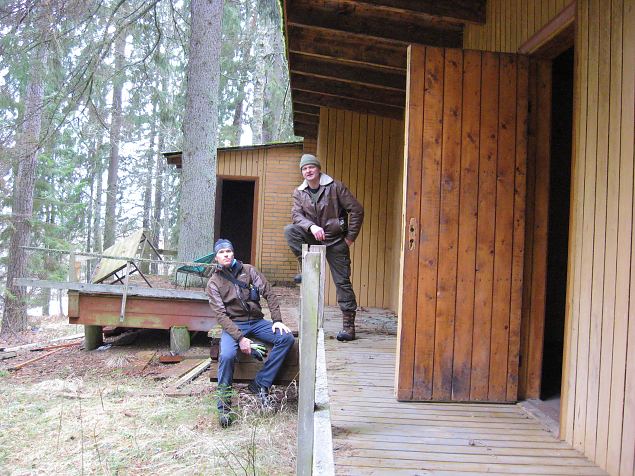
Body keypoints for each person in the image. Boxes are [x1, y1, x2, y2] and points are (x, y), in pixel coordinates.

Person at [206, 238, 294, 428]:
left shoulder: (249, 270)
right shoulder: (214, 282)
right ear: (216, 257)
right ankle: (224, 408)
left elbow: (269, 293)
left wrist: (277, 320)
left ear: (233, 253)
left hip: (256, 321)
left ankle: (261, 383)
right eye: (221, 252)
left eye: (228, 251)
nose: (226, 255)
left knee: (286, 338)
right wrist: (240, 338)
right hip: (234, 325)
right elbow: (220, 315)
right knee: (227, 355)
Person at [284, 153, 364, 342]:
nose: (308, 171)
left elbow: (357, 210)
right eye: (304, 168)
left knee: (342, 282)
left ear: (318, 169)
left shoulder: (335, 187)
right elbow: (296, 216)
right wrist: (311, 226)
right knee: (290, 230)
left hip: (336, 241)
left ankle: (349, 327)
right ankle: (306, 267)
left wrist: (350, 238)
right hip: (313, 237)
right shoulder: (299, 192)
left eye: (311, 167)